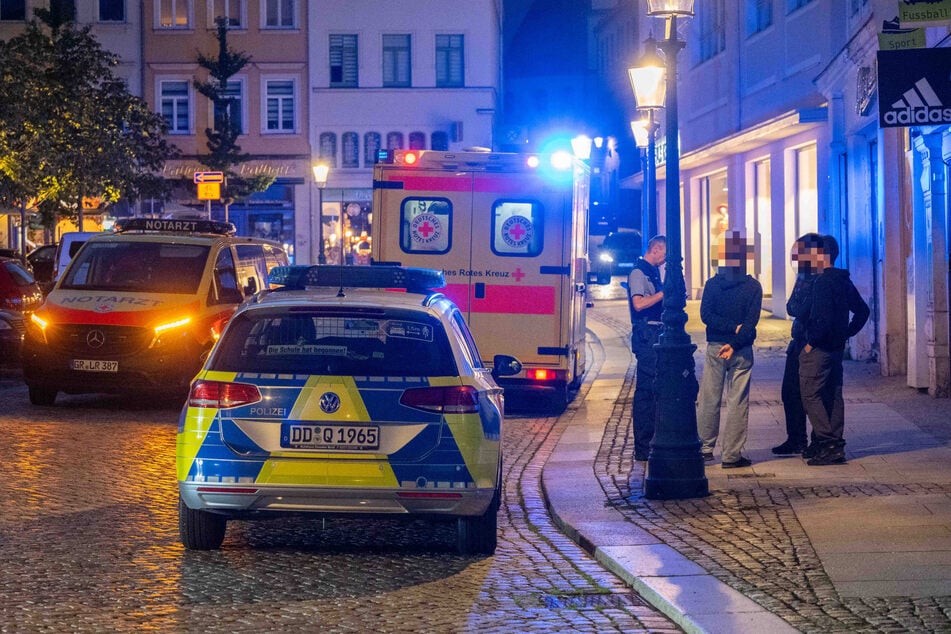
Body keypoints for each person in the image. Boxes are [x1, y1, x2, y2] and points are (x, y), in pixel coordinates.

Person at [798, 234, 870, 466]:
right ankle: (835, 443)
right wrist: (847, 333)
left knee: (810, 393)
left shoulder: (821, 282)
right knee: (833, 393)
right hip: (837, 348)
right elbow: (862, 311)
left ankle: (827, 441)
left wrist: (811, 342)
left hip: (819, 349)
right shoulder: (842, 280)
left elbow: (822, 318)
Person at [695, 230, 763, 468]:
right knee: (738, 402)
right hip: (741, 349)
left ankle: (704, 447)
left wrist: (726, 332)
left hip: (715, 347)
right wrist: (735, 339)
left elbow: (706, 316)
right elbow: (751, 323)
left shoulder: (712, 285)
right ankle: (732, 455)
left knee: (709, 399)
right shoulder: (753, 286)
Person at [772, 233, 823, 456]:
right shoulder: (802, 276)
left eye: (797, 251)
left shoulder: (819, 278)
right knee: (789, 392)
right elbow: (791, 307)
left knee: (812, 394)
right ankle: (796, 438)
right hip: (797, 340)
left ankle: (819, 439)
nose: (794, 256)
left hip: (811, 342)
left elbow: (800, 309)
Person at [628, 235, 666, 461]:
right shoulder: (638, 273)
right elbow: (639, 304)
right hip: (646, 335)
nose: (666, 258)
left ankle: (650, 441)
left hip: (654, 334)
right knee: (646, 391)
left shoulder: (652, 272)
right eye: (665, 253)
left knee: (653, 390)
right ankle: (643, 446)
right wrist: (664, 294)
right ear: (656, 249)